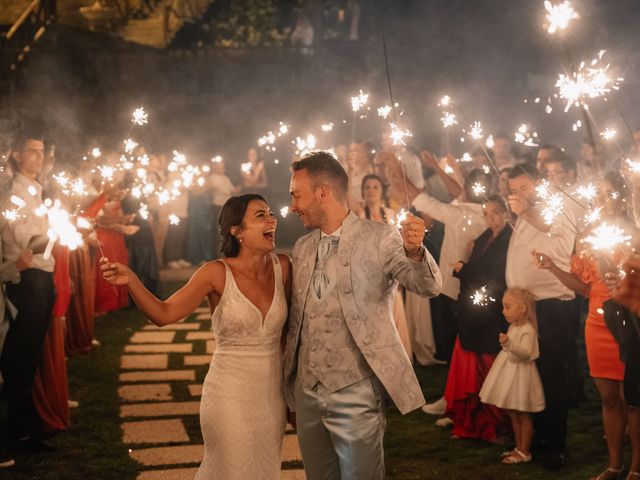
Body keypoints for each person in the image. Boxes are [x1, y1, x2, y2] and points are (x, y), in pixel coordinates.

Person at [102, 194, 291, 480]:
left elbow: (289, 337)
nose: (272, 220)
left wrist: (293, 396)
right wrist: (132, 280)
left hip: (271, 398)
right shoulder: (214, 273)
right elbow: (164, 314)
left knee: (264, 470)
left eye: (271, 213)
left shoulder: (284, 267)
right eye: (261, 215)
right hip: (229, 396)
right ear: (236, 231)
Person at [283, 152, 442, 479]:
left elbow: (427, 287)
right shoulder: (301, 247)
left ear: (323, 192)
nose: (293, 205)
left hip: (355, 390)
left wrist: (415, 252)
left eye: (297, 196)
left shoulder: (380, 238)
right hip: (307, 392)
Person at [535, 173, 635, 480]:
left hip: (629, 318)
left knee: (632, 400)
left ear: (620, 196)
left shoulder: (633, 232)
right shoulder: (588, 236)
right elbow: (585, 288)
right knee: (608, 398)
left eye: (608, 193)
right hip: (597, 322)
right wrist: (551, 267)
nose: (603, 200)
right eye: (599, 193)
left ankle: (636, 469)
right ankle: (614, 465)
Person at [506, 162, 577, 470]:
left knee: (551, 376)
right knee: (531, 374)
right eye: (513, 191)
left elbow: (550, 228)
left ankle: (556, 445)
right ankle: (537, 435)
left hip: (552, 305)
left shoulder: (556, 206)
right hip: (528, 306)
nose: (519, 195)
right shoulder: (525, 214)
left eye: (525, 188)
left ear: (539, 183)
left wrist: (524, 210)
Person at [0, 130, 56, 452]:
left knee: (31, 355)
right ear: (17, 155)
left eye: (42, 151)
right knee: (21, 359)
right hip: (27, 281)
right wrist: (57, 234)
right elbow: (28, 243)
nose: (39, 157)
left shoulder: (36, 191)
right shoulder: (15, 196)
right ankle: (18, 432)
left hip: (42, 278)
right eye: (32, 151)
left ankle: (27, 424)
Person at [444, 194, 512, 441]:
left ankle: (493, 422)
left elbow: (495, 277)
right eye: (486, 213)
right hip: (474, 312)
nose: (490, 219)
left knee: (488, 367)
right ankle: (470, 419)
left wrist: (465, 270)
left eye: (495, 213)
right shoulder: (485, 237)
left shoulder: (508, 240)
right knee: (472, 366)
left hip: (491, 312)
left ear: (506, 213)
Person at [479, 288, 545, 464]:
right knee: (513, 413)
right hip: (510, 373)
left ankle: (525, 451)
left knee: (523, 414)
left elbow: (526, 353)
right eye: (503, 307)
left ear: (523, 308)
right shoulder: (513, 326)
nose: (503, 311)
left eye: (508, 307)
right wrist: (508, 344)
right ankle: (518, 447)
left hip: (521, 376)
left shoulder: (528, 330)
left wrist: (509, 343)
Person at [358, 174, 412, 358]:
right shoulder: (358, 216)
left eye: (375, 187)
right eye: (367, 187)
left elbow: (400, 245)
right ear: (362, 192)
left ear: (381, 191)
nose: (371, 191)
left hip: (390, 273)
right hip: (366, 274)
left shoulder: (391, 215)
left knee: (394, 312)